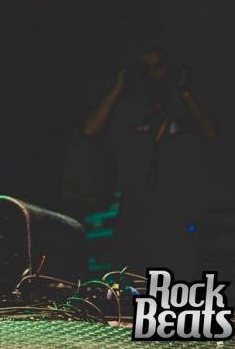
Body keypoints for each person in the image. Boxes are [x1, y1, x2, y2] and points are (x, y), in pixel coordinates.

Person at [82, 44, 219, 276]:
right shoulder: (129, 108)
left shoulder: (183, 108)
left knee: (175, 277)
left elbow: (211, 132)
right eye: (145, 69)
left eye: (158, 67)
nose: (152, 74)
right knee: (132, 279)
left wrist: (185, 92)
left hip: (175, 212)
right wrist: (118, 87)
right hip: (135, 212)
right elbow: (90, 130)